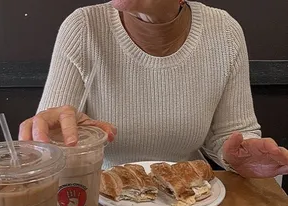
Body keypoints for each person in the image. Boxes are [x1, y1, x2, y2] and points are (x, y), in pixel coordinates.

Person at [19, 0, 288, 178]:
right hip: (100, 201)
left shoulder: (224, 31)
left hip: (192, 200)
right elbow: (52, 144)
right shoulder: (83, 27)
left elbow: (229, 136)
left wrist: (240, 157)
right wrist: (48, 143)